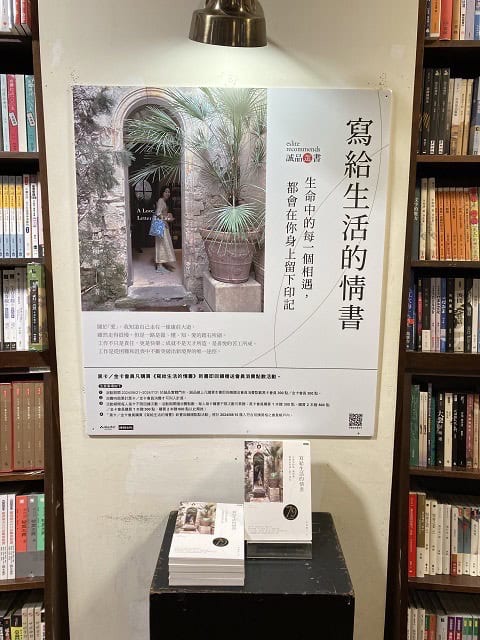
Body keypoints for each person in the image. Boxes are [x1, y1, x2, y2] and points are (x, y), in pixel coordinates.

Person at [153, 187, 176, 272]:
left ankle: (162, 262)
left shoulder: (163, 201)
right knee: (161, 244)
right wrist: (167, 219)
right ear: (162, 193)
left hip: (163, 224)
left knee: (164, 244)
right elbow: (158, 213)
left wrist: (168, 216)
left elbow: (163, 213)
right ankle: (159, 265)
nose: (167, 193)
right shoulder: (160, 200)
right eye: (166, 192)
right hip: (161, 225)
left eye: (169, 192)